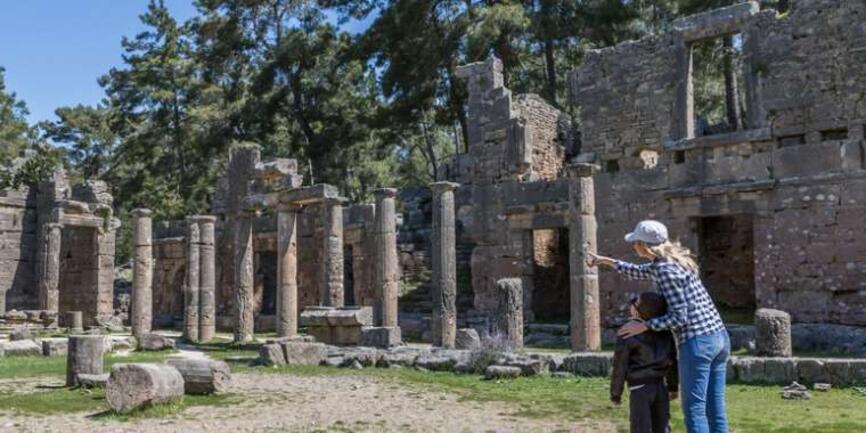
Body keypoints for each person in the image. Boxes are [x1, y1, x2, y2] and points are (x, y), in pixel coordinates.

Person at [588, 220, 729, 433]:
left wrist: (646, 325)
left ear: (644, 245)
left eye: (635, 242)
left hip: (698, 341)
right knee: (715, 407)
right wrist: (604, 261)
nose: (633, 246)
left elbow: (678, 317)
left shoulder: (665, 271)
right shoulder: (673, 263)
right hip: (719, 338)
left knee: (695, 410)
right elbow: (636, 271)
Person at [611, 292, 679, 433]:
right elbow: (672, 362)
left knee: (640, 427)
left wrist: (616, 393)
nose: (632, 303)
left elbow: (620, 366)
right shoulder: (666, 333)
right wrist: (673, 387)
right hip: (661, 386)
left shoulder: (627, 333)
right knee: (662, 426)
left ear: (639, 310)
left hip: (639, 388)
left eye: (636, 302)